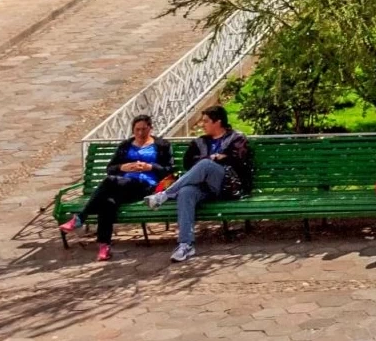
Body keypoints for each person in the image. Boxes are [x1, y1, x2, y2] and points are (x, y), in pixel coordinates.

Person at [147, 105, 252, 263]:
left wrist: (218, 159)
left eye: (206, 121)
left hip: (228, 186)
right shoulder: (200, 142)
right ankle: (185, 245)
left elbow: (240, 160)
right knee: (186, 192)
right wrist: (214, 157)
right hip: (204, 188)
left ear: (218, 122)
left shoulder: (236, 138)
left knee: (206, 165)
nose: (202, 125)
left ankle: (166, 194)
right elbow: (188, 163)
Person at [59, 113, 166, 260]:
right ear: (133, 130)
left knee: (110, 181)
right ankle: (104, 247)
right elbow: (110, 168)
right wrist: (123, 167)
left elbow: (169, 169)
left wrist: (149, 167)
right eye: (137, 130)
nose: (140, 133)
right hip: (123, 186)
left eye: (144, 129)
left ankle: (80, 218)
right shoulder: (125, 146)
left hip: (146, 186)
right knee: (108, 202)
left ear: (151, 129)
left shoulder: (161, 145)